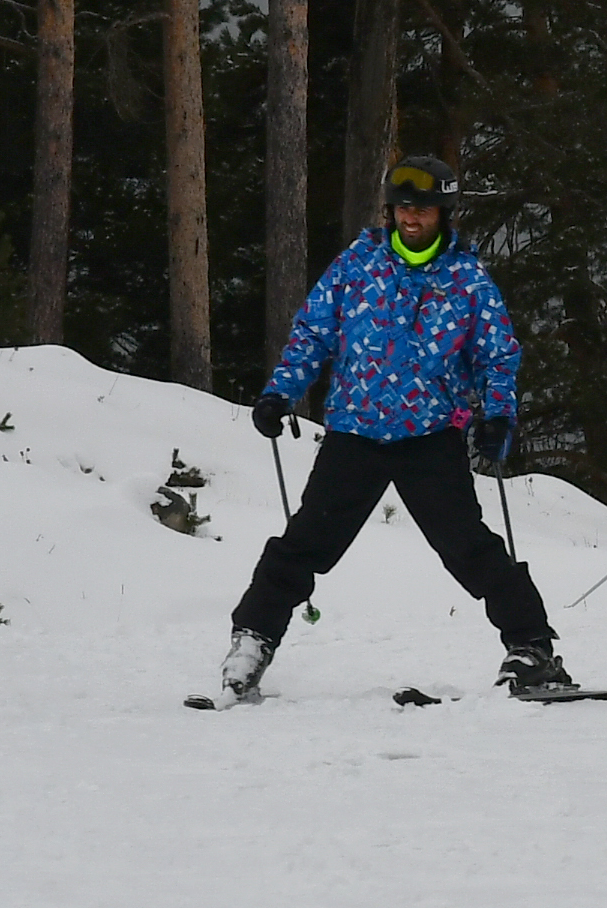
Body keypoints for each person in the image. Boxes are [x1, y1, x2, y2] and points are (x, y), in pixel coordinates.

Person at [216, 155, 574, 701]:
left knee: (468, 547)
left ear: (444, 214)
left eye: (424, 208)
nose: (412, 217)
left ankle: (532, 649)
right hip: (354, 433)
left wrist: (498, 414)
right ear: (391, 210)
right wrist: (279, 393)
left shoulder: (467, 279)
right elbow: (313, 333)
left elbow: (496, 355)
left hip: (430, 437)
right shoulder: (356, 266)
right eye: (404, 206)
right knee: (307, 542)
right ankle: (252, 639)